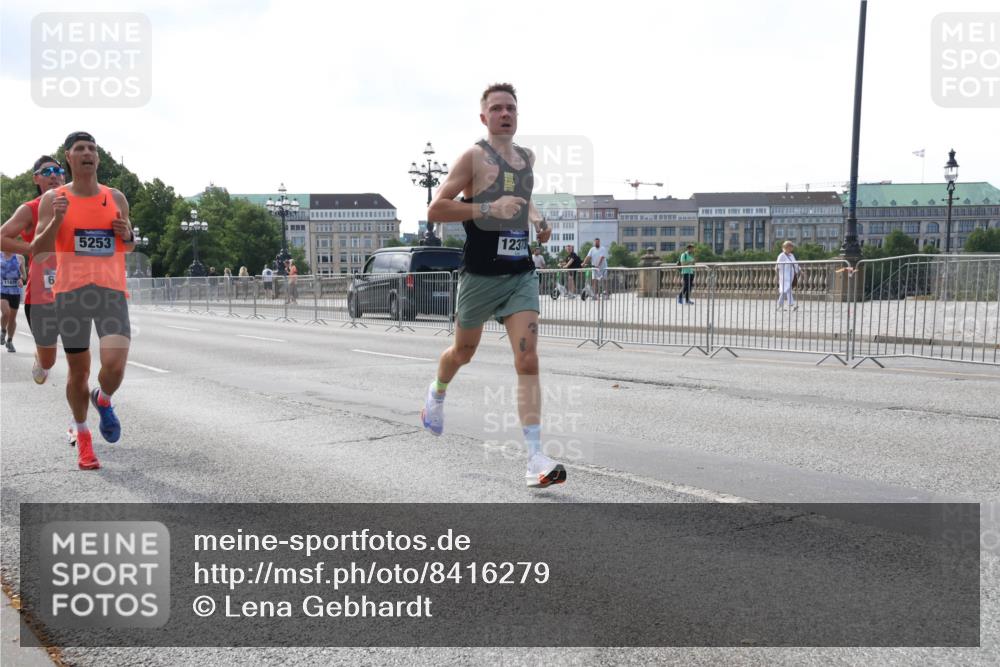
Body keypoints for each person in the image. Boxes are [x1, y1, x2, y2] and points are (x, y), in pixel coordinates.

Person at [421, 82, 565, 488]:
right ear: (484, 117)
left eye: (511, 108)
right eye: (498, 108)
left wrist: (537, 219)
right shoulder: (473, 157)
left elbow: (523, 197)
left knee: (528, 359)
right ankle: (437, 392)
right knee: (463, 353)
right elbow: (436, 208)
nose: (505, 114)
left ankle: (535, 459)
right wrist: (488, 207)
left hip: (519, 274)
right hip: (480, 276)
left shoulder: (526, 158)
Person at [33, 132, 137, 471]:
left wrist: (127, 235)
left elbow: (129, 244)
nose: (87, 153)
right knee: (79, 372)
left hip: (111, 292)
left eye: (92, 148)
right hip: (71, 294)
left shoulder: (115, 197)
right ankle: (83, 437)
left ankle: (103, 399)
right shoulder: (54, 199)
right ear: (69, 157)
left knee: (115, 367)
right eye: (80, 149)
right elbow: (39, 249)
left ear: (98, 158)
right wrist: (57, 220)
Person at [0, 155, 67, 380]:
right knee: (49, 361)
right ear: (36, 179)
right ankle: (42, 358)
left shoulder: (78, 202)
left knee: (79, 355)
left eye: (58, 171)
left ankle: (85, 398)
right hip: (42, 293)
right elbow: (2, 237)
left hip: (75, 289)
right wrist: (31, 248)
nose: (54, 176)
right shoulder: (30, 209)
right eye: (47, 172)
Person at [0, 251, 24, 352]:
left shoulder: (20, 257)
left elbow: (24, 275)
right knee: (6, 313)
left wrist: (21, 279)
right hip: (2, 289)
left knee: (12, 318)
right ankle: (3, 331)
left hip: (15, 291)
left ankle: (9, 341)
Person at [775, 240, 801, 311]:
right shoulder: (781, 255)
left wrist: (800, 270)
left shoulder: (791, 255)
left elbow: (795, 263)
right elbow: (777, 265)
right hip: (784, 276)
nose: (791, 248)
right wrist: (777, 274)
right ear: (786, 247)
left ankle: (787, 305)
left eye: (791, 247)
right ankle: (785, 305)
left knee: (787, 290)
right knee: (785, 290)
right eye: (790, 247)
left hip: (790, 275)